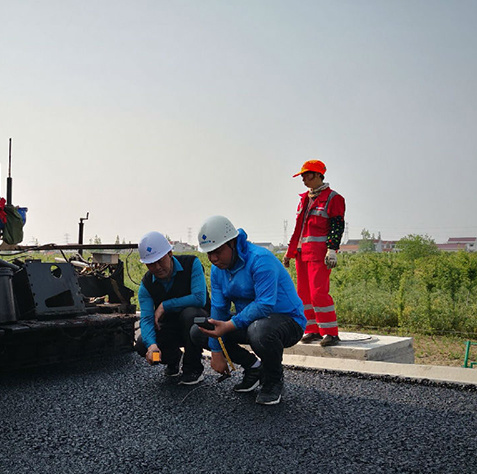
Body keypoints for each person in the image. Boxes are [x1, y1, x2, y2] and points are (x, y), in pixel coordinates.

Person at [191, 215, 306, 405]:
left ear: (233, 243)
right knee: (199, 332)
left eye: (217, 251)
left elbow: (265, 304)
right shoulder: (218, 270)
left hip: (287, 321)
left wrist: (229, 325)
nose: (213, 258)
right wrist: (216, 351)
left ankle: (273, 380)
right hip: (251, 321)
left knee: (259, 331)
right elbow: (219, 308)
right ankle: (254, 367)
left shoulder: (260, 260)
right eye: (209, 253)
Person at [283, 159, 346, 347]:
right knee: (303, 294)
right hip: (302, 255)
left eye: (307, 174)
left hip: (320, 255)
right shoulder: (304, 198)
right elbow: (298, 229)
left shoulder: (333, 198)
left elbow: (336, 226)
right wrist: (289, 252)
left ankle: (330, 332)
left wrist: (332, 249)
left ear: (319, 175)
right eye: (302, 175)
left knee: (319, 293)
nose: (303, 179)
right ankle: (312, 330)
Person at [135, 231, 210, 385]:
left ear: (169, 253)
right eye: (150, 264)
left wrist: (165, 306)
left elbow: (199, 298)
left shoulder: (192, 264)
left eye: (160, 261)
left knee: (190, 315)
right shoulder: (147, 284)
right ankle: (173, 359)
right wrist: (152, 345)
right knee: (143, 343)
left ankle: (193, 369)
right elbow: (147, 319)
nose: (156, 267)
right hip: (172, 329)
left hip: (200, 328)